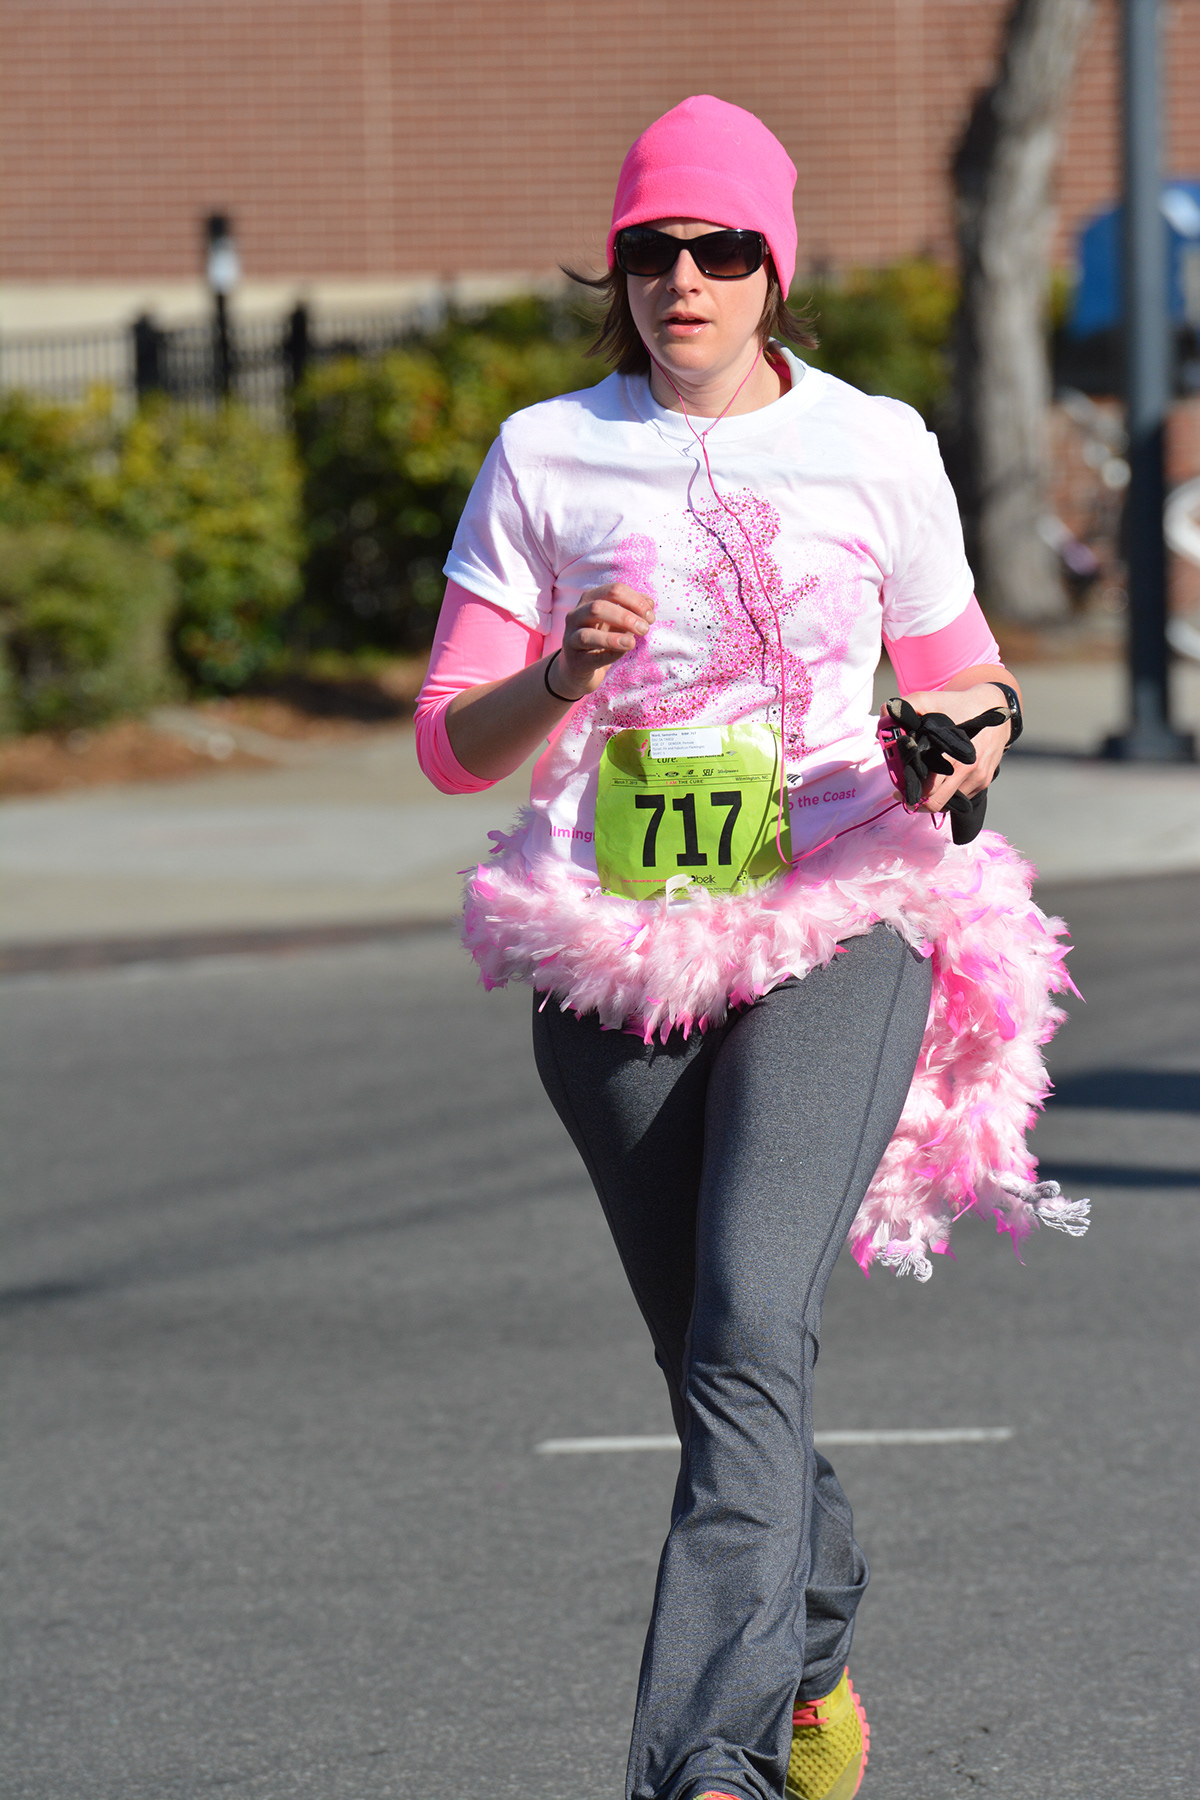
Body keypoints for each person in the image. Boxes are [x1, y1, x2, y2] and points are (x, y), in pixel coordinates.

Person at [414, 95, 1087, 1800]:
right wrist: (561, 672)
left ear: (772, 267)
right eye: (654, 252)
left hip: (840, 915)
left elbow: (968, 672)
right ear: (620, 271)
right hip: (615, 947)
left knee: (739, 1327)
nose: (685, 281)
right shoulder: (546, 453)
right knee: (720, 1359)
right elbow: (447, 742)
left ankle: (705, 1763)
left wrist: (964, 745)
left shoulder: (874, 445)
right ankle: (817, 1625)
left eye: (721, 251)